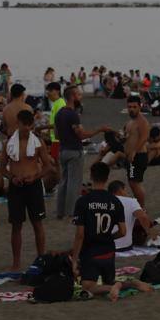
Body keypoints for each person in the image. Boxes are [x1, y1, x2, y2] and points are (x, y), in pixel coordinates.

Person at [71, 162, 152, 301]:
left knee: (88, 286)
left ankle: (113, 287)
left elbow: (80, 235)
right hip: (109, 252)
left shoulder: (83, 202)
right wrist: (108, 237)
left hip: (91, 252)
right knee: (109, 280)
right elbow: (122, 231)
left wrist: (74, 259)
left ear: (91, 176)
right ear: (107, 178)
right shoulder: (115, 201)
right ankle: (132, 283)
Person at [1, 109, 53, 270]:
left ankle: (40, 257)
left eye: (30, 127)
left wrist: (35, 177)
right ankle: (16, 262)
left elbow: (47, 166)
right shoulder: (8, 143)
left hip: (33, 185)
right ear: (19, 124)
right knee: (16, 225)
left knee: (37, 223)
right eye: (25, 126)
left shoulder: (38, 143)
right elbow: (2, 168)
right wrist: (12, 177)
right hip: (16, 186)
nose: (27, 130)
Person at [55, 85, 111, 220]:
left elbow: (56, 135)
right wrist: (99, 130)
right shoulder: (72, 114)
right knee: (74, 182)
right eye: (79, 95)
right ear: (73, 97)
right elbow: (81, 134)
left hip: (63, 150)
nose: (80, 97)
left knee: (64, 181)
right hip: (74, 151)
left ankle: (60, 211)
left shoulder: (59, 113)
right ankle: (71, 212)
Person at [109, 179, 154, 251]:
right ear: (120, 190)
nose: (126, 193)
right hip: (124, 246)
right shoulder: (131, 201)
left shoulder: (102, 201)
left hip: (104, 246)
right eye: (125, 190)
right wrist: (150, 233)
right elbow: (143, 218)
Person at [123, 96, 150, 206]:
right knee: (132, 182)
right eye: (129, 107)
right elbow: (129, 136)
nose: (132, 109)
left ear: (140, 107)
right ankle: (139, 207)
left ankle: (142, 208)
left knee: (135, 183)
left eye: (134, 107)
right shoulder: (130, 122)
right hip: (131, 156)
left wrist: (134, 151)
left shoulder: (142, 121)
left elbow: (144, 138)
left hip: (138, 155)